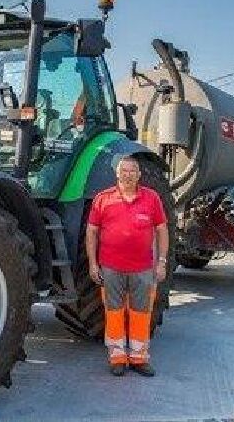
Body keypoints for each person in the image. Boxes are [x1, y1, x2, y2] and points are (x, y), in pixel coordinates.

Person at [86, 156, 169, 377]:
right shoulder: (103, 199)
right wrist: (93, 264)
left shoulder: (151, 198)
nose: (128, 174)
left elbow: (162, 230)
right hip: (111, 267)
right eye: (124, 170)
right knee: (113, 312)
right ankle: (117, 358)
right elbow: (92, 232)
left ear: (139, 175)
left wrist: (162, 262)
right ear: (117, 174)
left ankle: (139, 358)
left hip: (143, 269)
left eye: (133, 171)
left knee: (141, 312)